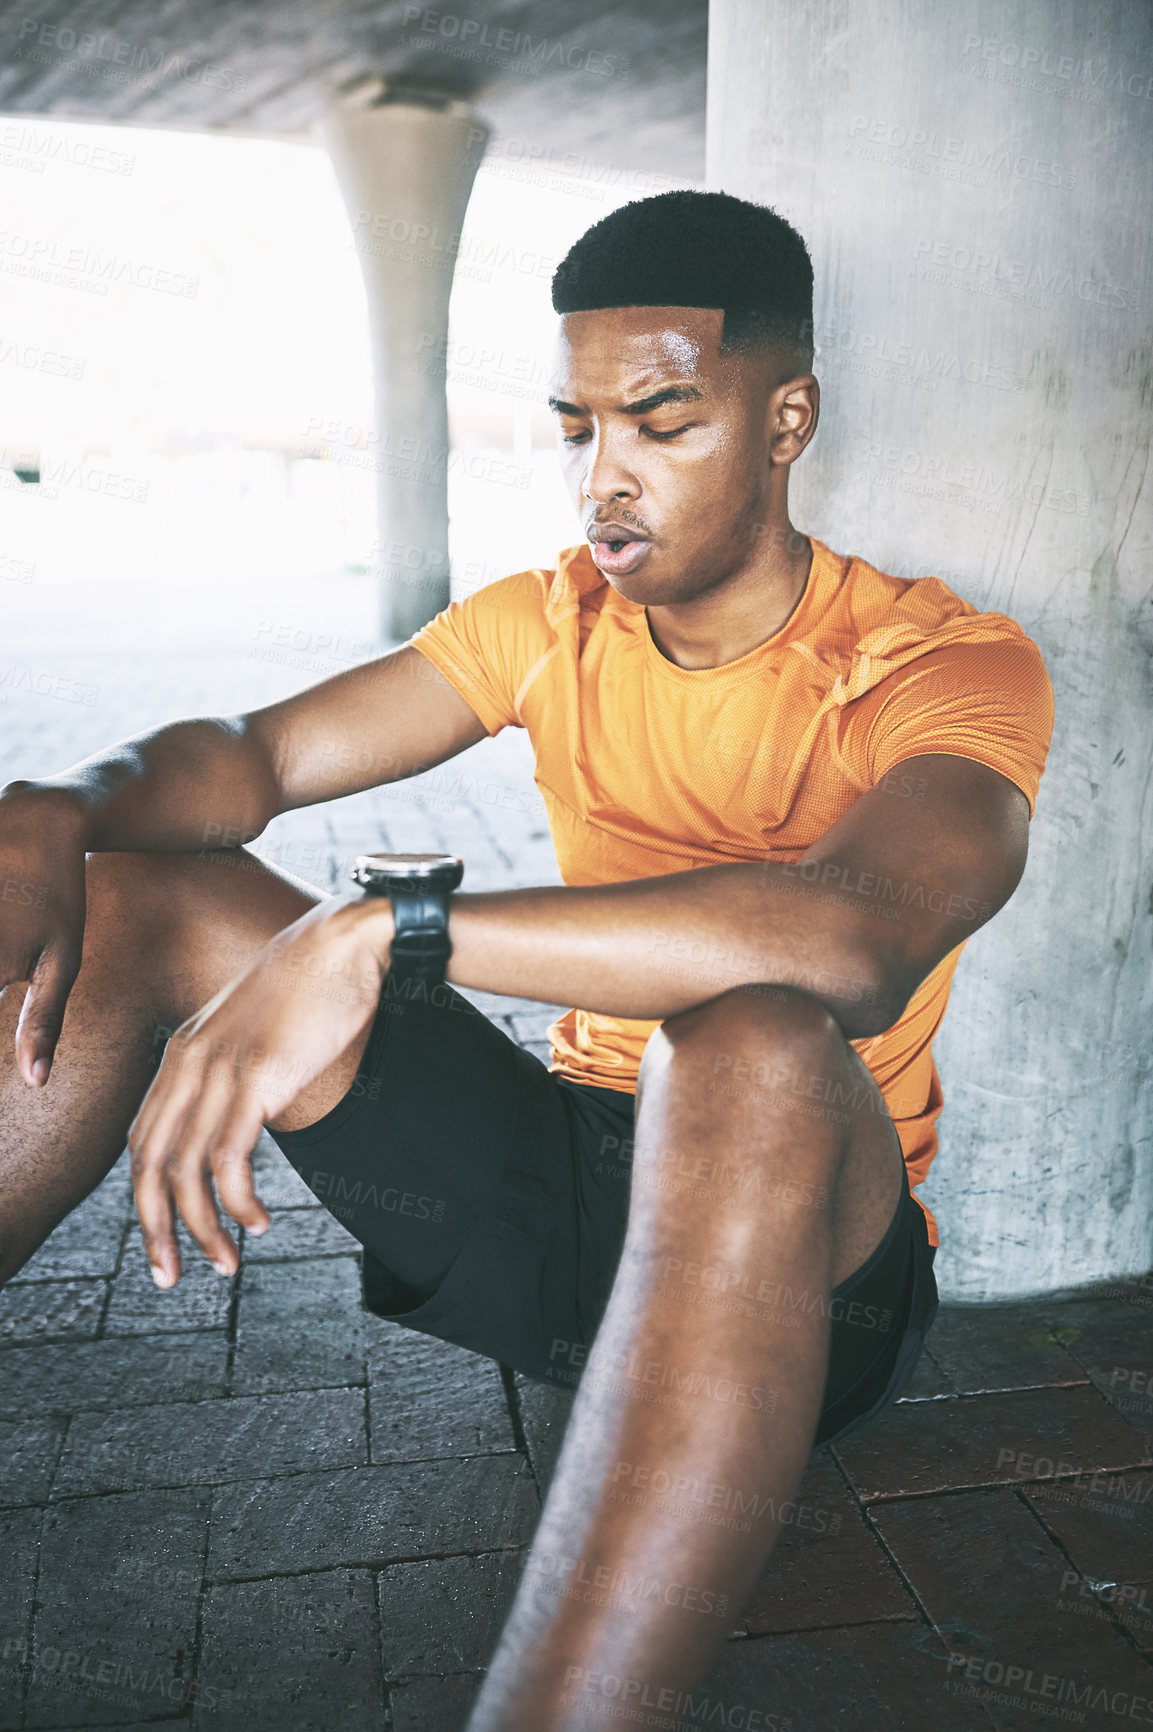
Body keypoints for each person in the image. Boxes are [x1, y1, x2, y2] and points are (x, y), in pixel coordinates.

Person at [0, 190, 1053, 1727]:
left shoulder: (937, 662)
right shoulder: (543, 623)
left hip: (812, 1273)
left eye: (659, 422)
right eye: (573, 427)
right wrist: (60, 804)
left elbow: (857, 938)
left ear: (784, 418)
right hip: (561, 1211)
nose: (601, 479)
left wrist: (390, 932)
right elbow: (258, 754)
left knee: (746, 1036)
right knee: (144, 881)